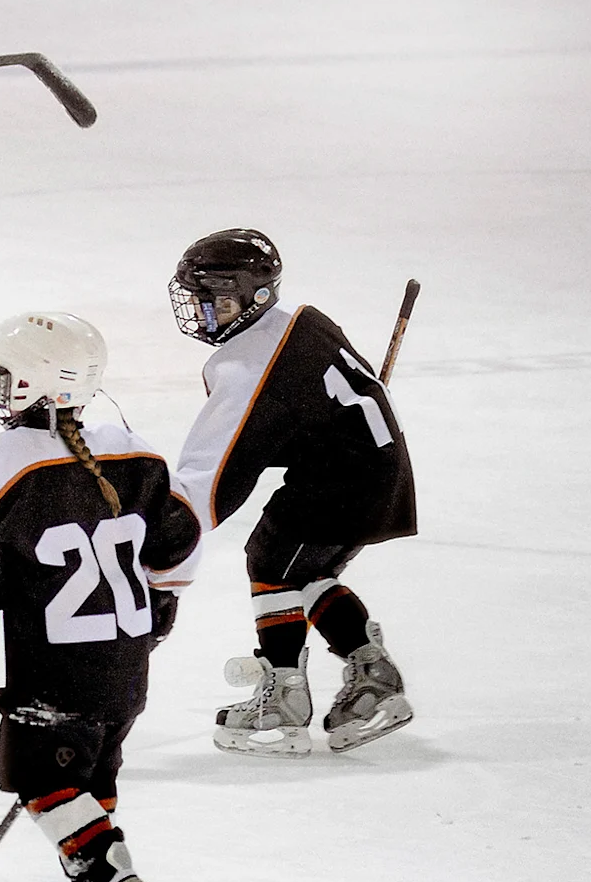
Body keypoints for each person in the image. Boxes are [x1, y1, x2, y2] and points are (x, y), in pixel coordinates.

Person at [0, 312, 202, 882]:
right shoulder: (135, 450)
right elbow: (179, 539)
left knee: (42, 783)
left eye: (5, 373)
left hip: (54, 669)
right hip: (127, 664)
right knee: (87, 779)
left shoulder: (4, 460)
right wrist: (162, 599)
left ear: (34, 382)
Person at [169, 228, 418, 757]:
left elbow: (217, 475)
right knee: (302, 570)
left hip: (341, 479)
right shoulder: (300, 320)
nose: (203, 312)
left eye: (216, 300)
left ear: (255, 296)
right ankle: (373, 676)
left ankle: (284, 696)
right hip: (376, 468)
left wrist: (166, 525)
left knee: (271, 560)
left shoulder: (248, 363)